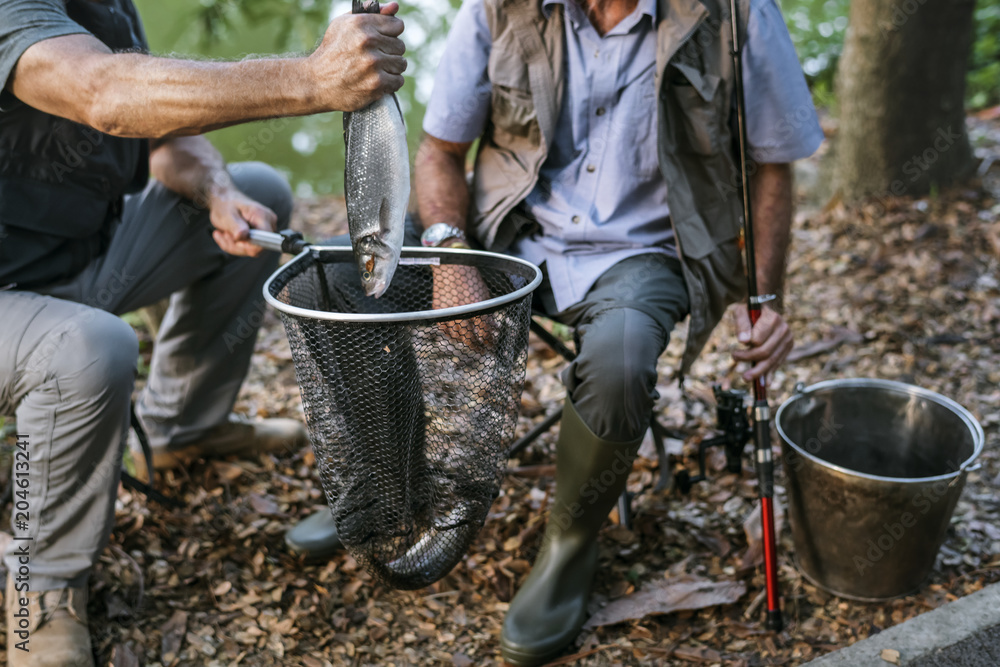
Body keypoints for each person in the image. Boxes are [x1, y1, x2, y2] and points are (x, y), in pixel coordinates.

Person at [413, 0, 820, 663]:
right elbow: (439, 149)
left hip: (646, 252)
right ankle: (383, 481)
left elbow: (773, 164)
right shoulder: (496, 7)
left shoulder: (740, 14)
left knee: (623, 356)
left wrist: (767, 297)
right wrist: (451, 252)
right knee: (361, 276)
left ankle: (570, 545)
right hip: (508, 235)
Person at [0, 1, 406, 665]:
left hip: (77, 256)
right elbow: (105, 93)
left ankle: (180, 430)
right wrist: (313, 78)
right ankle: (40, 586)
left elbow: (161, 131)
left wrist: (217, 188)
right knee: (92, 348)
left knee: (259, 188)